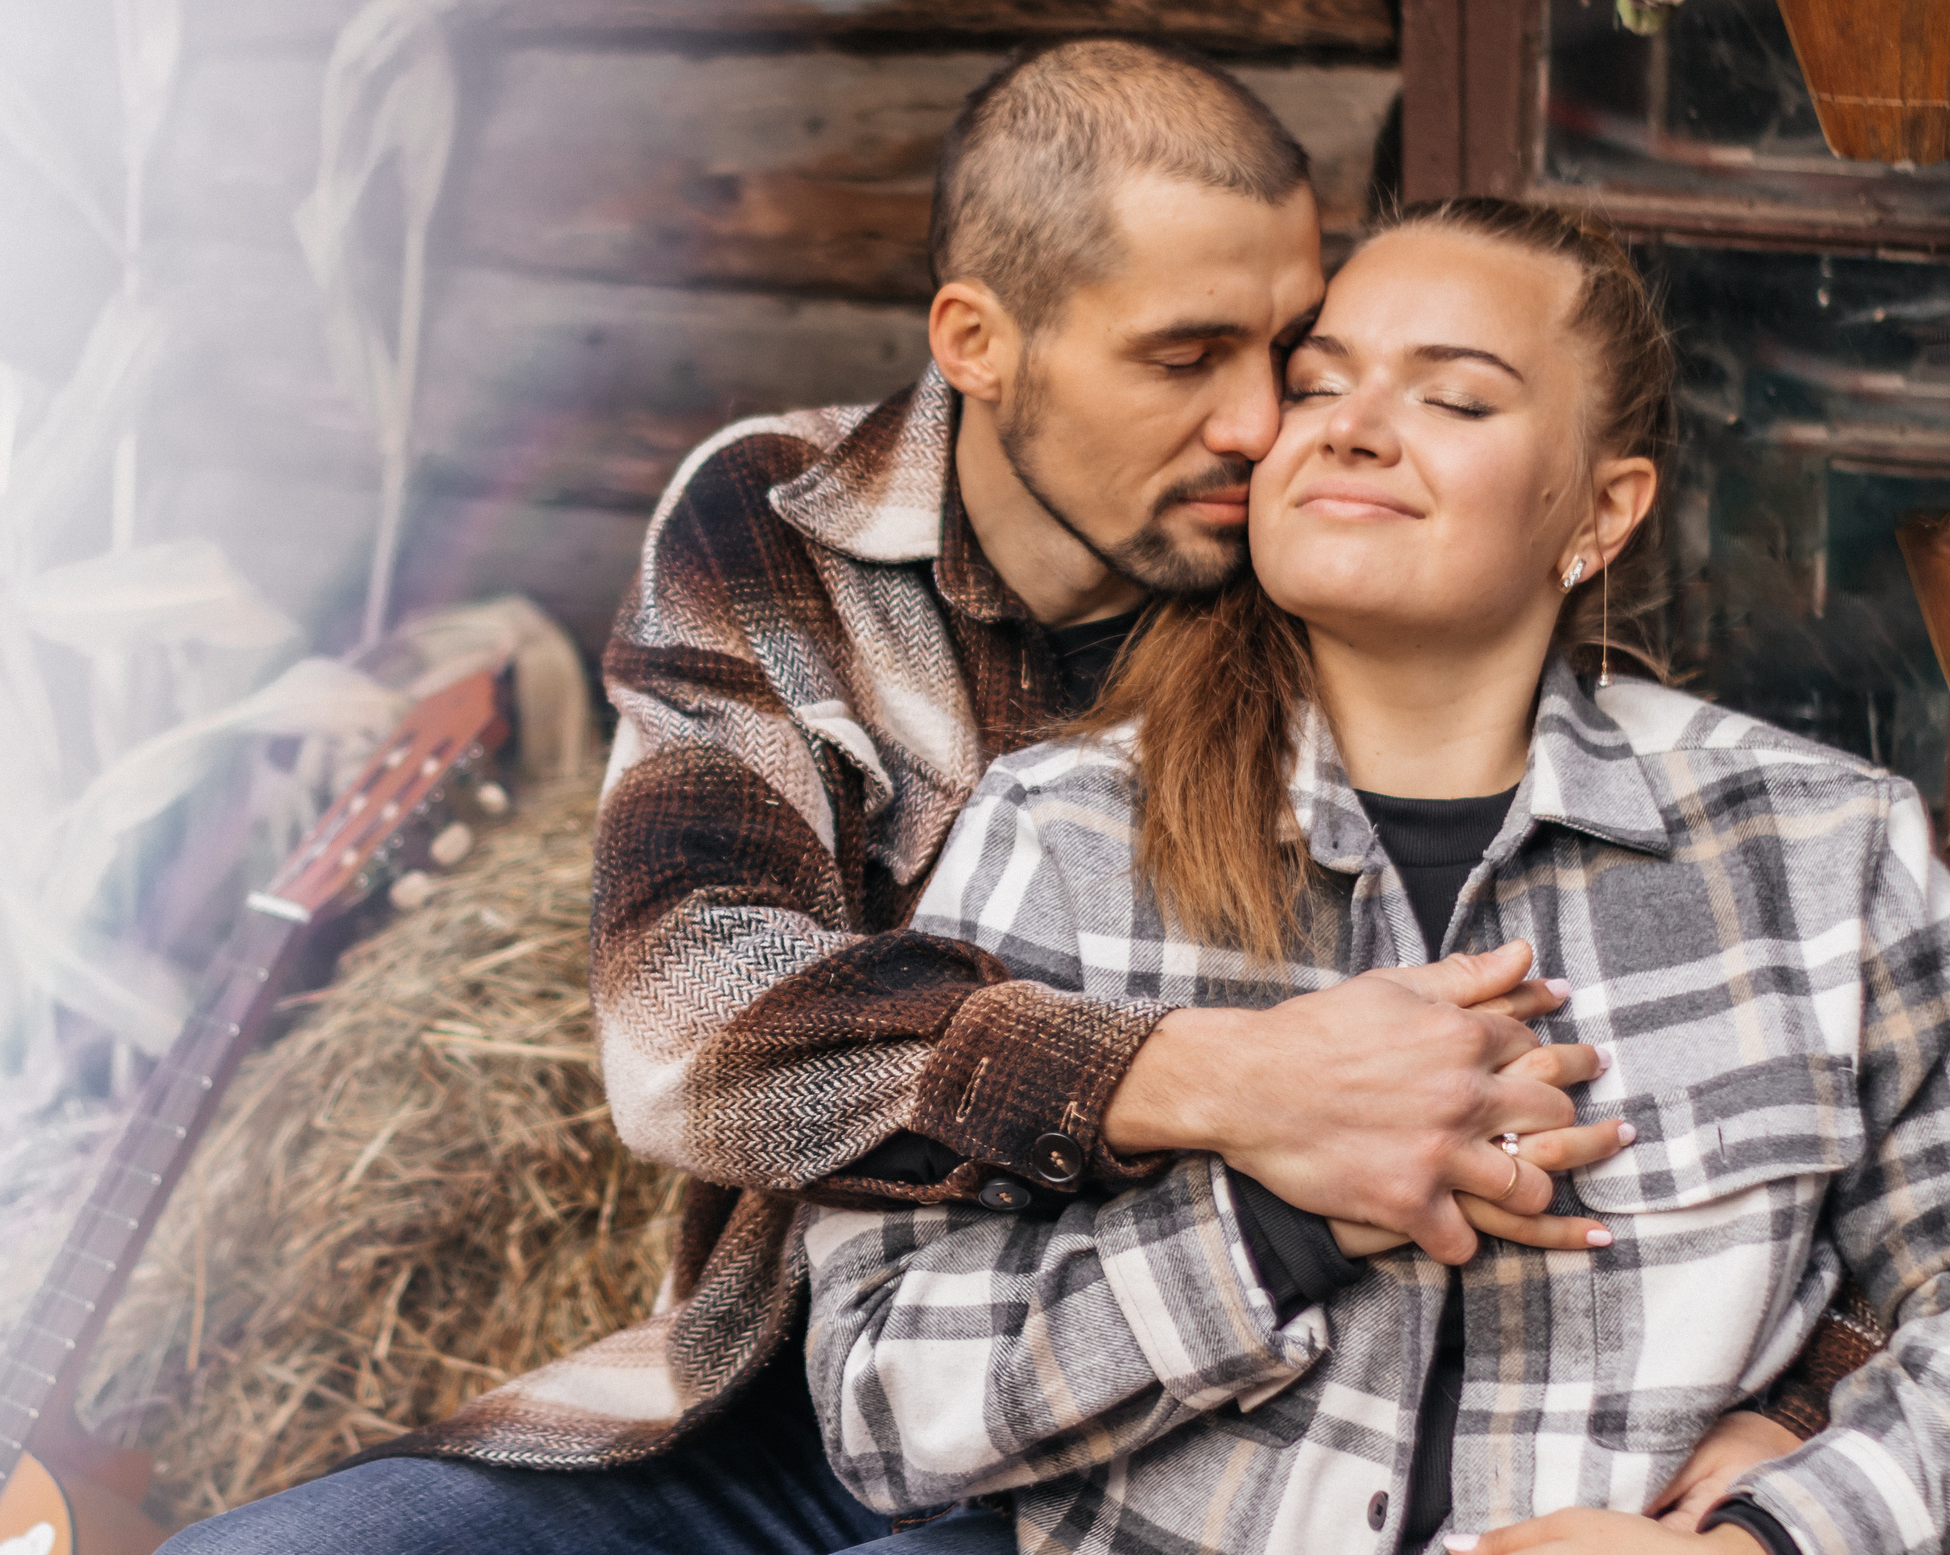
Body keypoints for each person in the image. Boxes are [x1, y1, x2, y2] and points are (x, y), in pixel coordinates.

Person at [162, 46, 1860, 1555]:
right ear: (979, 343)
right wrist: (1213, 1077)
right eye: (1186, 356)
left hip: (1213, 1402)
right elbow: (689, 1024)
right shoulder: (788, 526)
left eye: (1288, 349)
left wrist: (1806, 1413)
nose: (1263, 423)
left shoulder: (1337, 551)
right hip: (798, 1375)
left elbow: (1701, 1026)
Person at [804, 198, 1943, 1555]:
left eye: (1454, 398)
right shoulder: (1066, 832)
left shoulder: (1820, 849)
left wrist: (1774, 1538)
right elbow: (882, 1401)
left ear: (1602, 510)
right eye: (1316, 385)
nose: (1350, 427)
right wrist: (1275, 1220)